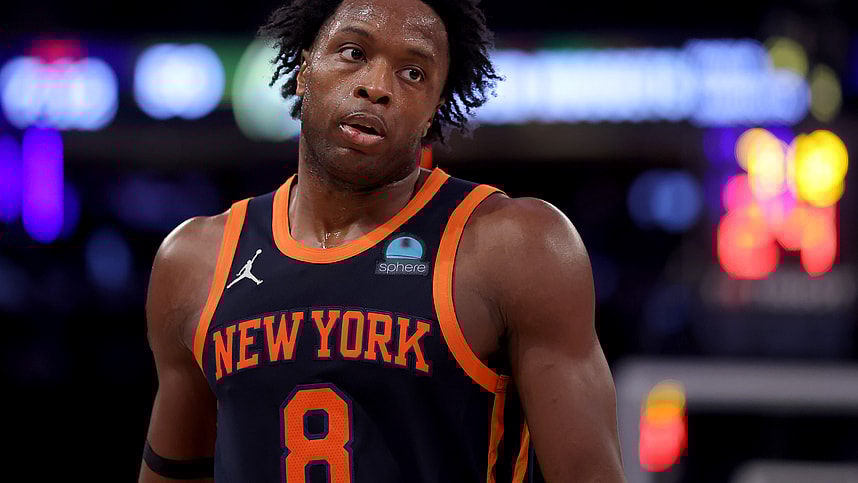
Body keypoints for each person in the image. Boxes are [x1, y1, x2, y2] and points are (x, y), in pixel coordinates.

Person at [140, 0, 625, 481]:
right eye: (353, 52)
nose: (376, 88)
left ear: (436, 106)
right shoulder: (195, 258)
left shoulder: (518, 245)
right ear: (306, 65)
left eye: (413, 73)